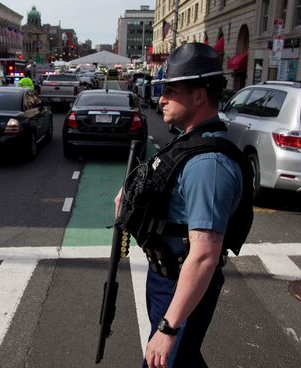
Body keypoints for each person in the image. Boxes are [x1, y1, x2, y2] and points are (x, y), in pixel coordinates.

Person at [114, 43, 247, 368]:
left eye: (171, 91)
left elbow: (204, 255)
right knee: (184, 360)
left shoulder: (209, 165)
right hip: (166, 278)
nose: (160, 98)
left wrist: (168, 327)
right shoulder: (188, 139)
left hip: (181, 285)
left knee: (164, 360)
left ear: (199, 95)